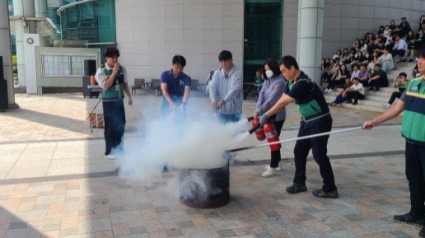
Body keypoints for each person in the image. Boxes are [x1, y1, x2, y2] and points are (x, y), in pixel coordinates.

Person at [363, 47, 425, 238]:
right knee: (413, 178)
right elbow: (397, 108)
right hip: (411, 141)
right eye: (420, 58)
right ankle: (416, 213)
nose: (419, 62)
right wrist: (374, 121)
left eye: (424, 59)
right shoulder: (413, 83)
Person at [260, 55, 338, 199]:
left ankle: (330, 188)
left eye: (284, 71)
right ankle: (299, 182)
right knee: (299, 151)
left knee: (319, 155)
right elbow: (282, 98)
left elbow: (284, 103)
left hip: (320, 121)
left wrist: (267, 114)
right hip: (307, 121)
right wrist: (267, 114)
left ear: (292, 68)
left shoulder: (302, 83)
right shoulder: (290, 81)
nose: (283, 74)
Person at [94, 46, 133, 159]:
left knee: (120, 125)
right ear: (106, 58)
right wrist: (114, 73)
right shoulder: (101, 71)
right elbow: (106, 85)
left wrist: (129, 96)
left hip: (119, 101)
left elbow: (125, 84)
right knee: (110, 127)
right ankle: (110, 151)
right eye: (113, 58)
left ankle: (120, 149)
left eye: (117, 57)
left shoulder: (122, 69)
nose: (115, 60)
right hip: (109, 102)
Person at [252, 59, 286, 177]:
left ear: (274, 68)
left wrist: (259, 110)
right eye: (265, 69)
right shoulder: (267, 80)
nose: (267, 72)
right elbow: (261, 94)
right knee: (273, 139)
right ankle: (278, 163)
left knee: (273, 140)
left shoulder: (280, 82)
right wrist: (258, 108)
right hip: (266, 113)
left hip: (277, 116)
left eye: (268, 69)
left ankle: (273, 166)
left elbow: (272, 100)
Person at [209, 50, 243, 123]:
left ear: (231, 60)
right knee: (223, 132)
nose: (224, 64)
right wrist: (213, 99)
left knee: (235, 132)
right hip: (221, 111)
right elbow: (212, 87)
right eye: (221, 62)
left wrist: (223, 101)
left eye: (226, 61)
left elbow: (235, 90)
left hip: (235, 111)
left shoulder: (237, 74)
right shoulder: (216, 73)